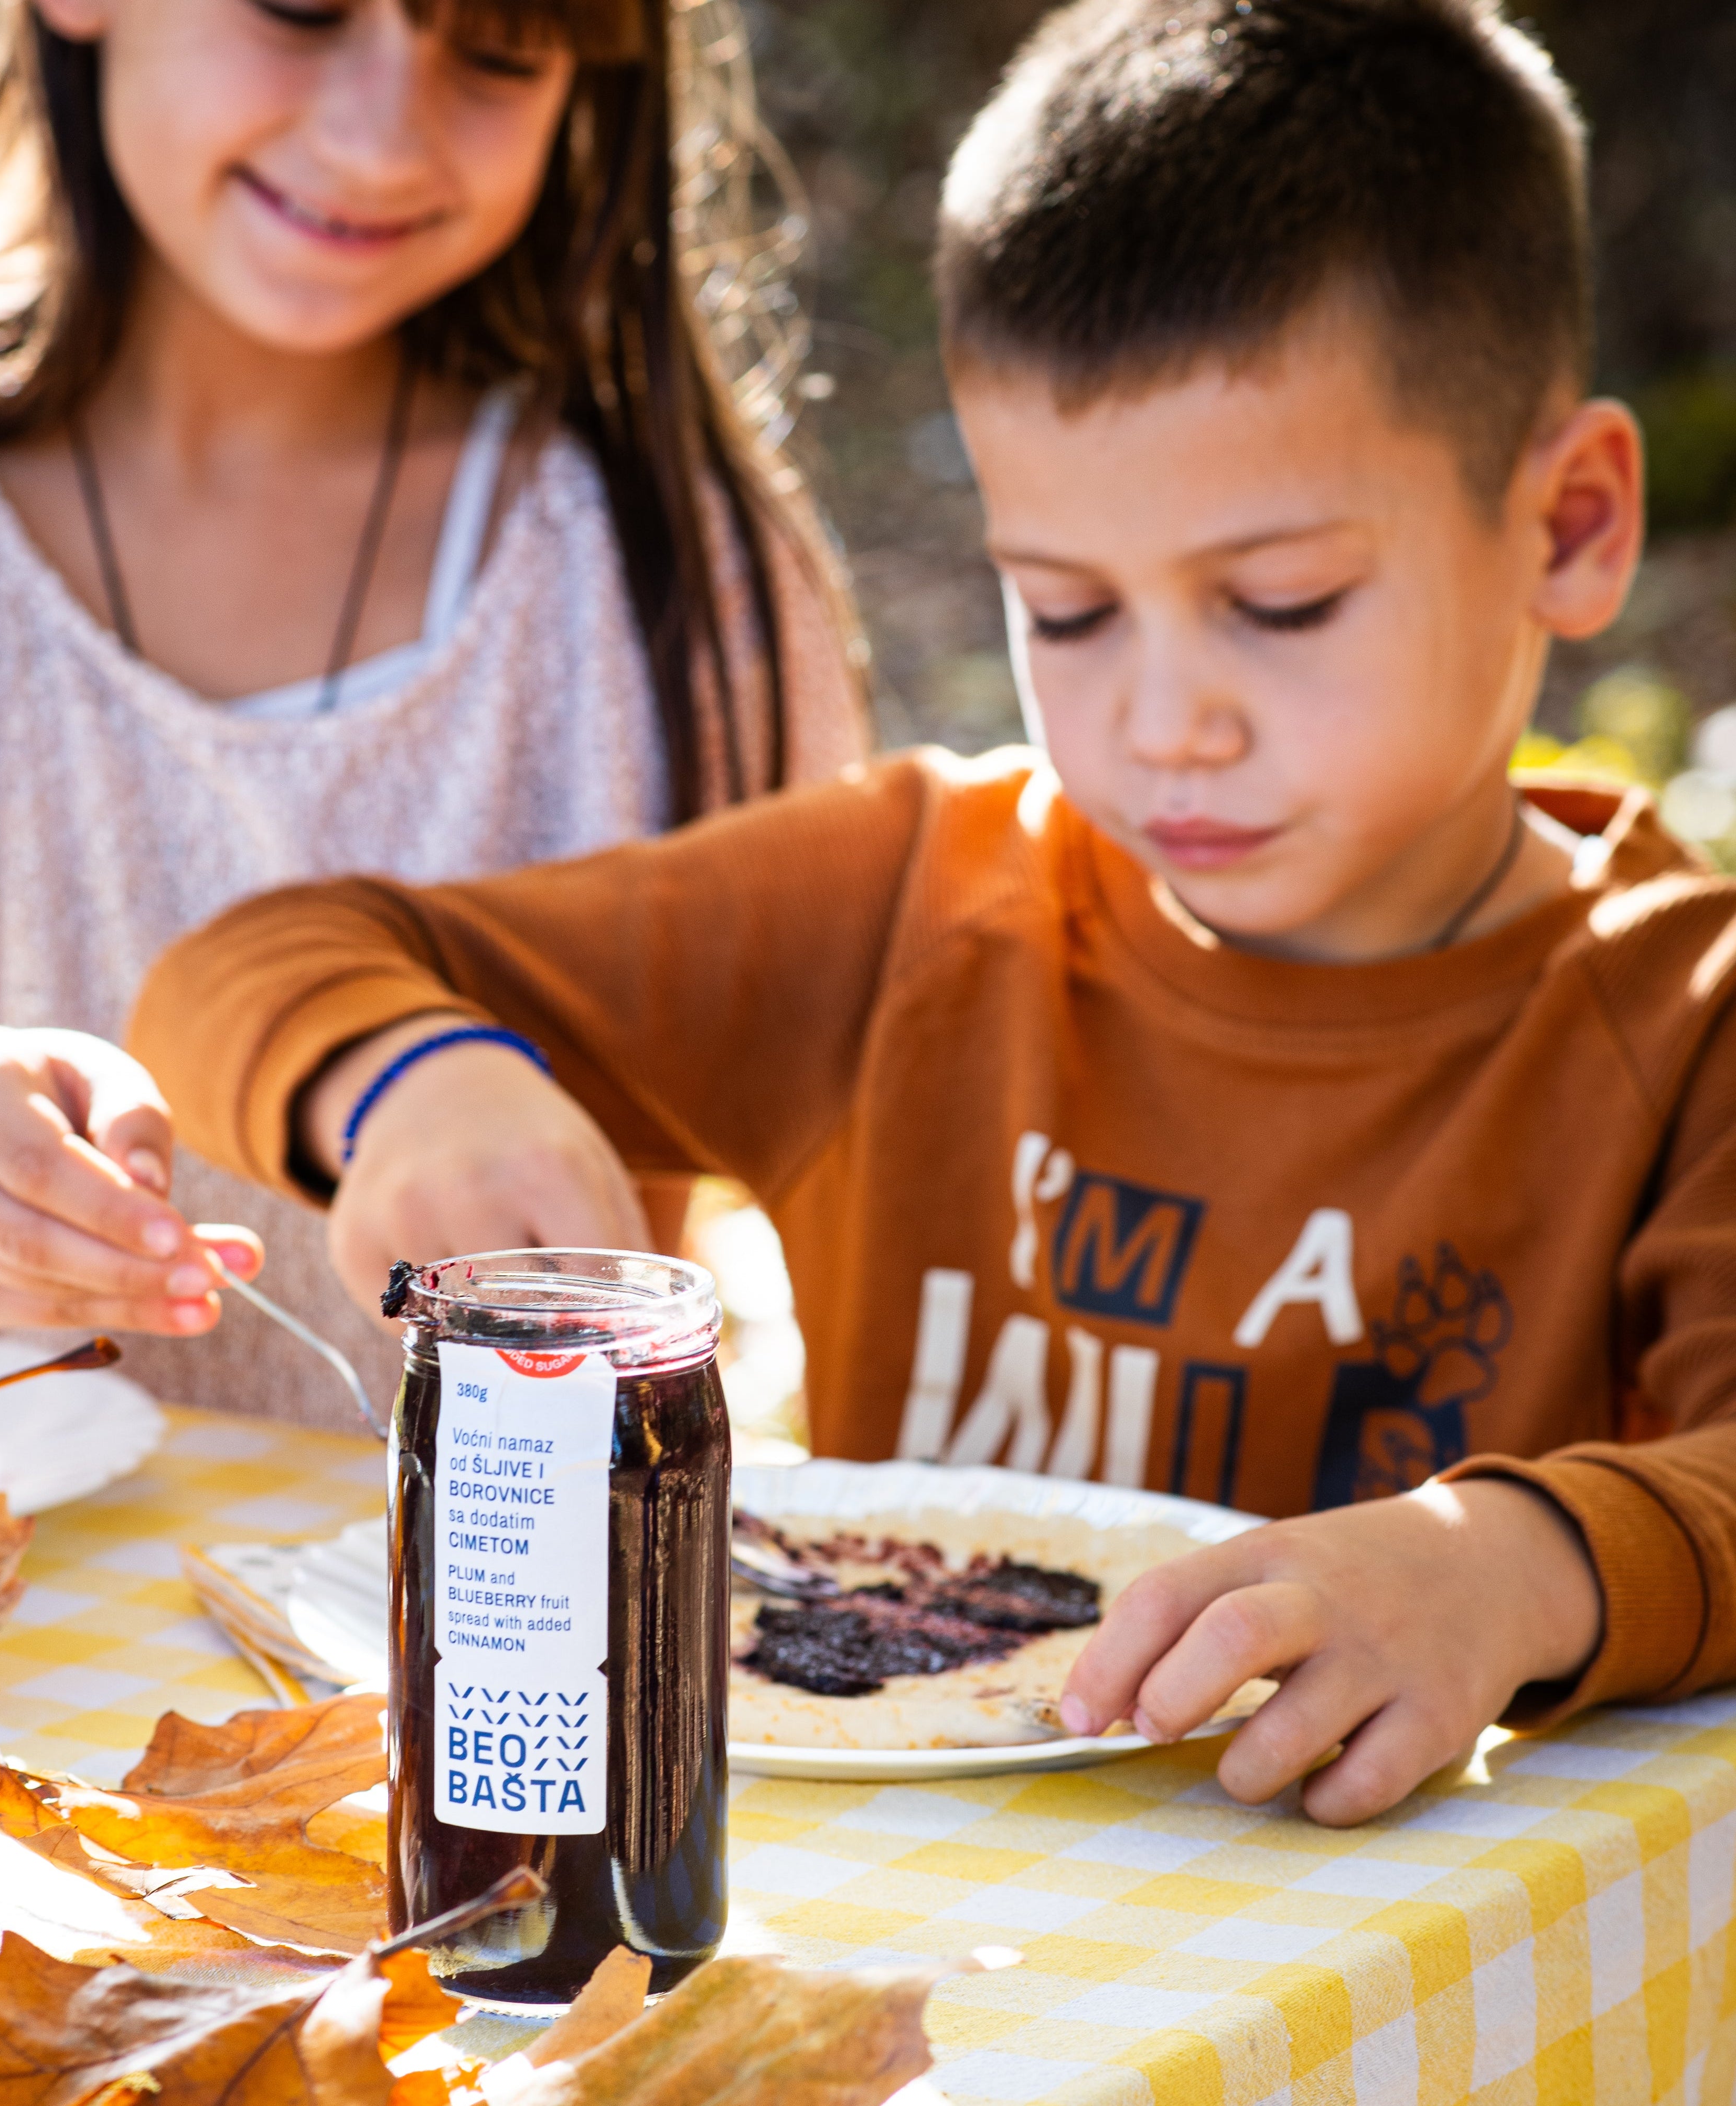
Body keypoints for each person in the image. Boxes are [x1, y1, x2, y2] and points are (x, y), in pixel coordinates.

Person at [127, 0, 1736, 1826]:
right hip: (911, 1934)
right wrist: (425, 1081)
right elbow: (246, 963)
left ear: (1576, 524)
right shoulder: (913, 900)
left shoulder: (1681, 1022)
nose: (1162, 719)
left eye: (1281, 604)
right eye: (1066, 609)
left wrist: (1511, 1564)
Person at [0, 0, 867, 1419]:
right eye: (303, 11)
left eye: (499, 52)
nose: (380, 135)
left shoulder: (666, 568)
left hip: (448, 1628)